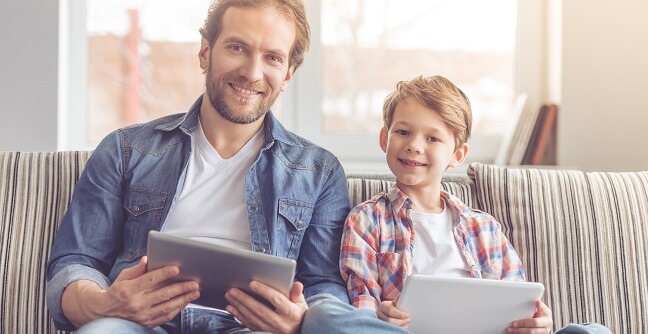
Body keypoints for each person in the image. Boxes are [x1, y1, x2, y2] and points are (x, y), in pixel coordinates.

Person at [46, 0, 351, 333]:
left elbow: (324, 284)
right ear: (205, 51)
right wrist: (103, 304)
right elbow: (75, 263)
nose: (251, 72)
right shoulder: (125, 151)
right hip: (139, 324)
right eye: (237, 47)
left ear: (288, 73)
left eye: (272, 58)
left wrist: (300, 322)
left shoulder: (320, 172)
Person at [302, 76, 611, 334]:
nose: (414, 145)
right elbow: (362, 302)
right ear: (385, 138)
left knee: (594, 331)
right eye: (403, 131)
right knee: (324, 316)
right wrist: (380, 316)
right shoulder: (366, 220)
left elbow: (519, 302)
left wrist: (535, 323)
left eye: (433, 138)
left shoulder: (484, 227)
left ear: (458, 155)